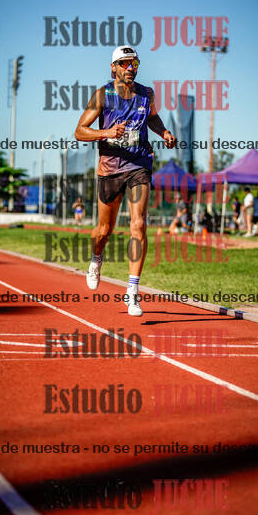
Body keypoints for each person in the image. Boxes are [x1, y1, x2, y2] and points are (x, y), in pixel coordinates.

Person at [75, 45, 176, 316]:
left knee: (138, 224)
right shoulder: (102, 95)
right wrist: (107, 132)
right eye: (124, 63)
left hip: (139, 164)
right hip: (110, 168)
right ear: (113, 67)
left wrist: (164, 132)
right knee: (103, 231)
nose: (130, 68)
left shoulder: (146, 93)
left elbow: (152, 118)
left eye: (134, 63)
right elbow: (80, 131)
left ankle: (132, 292)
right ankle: (96, 259)